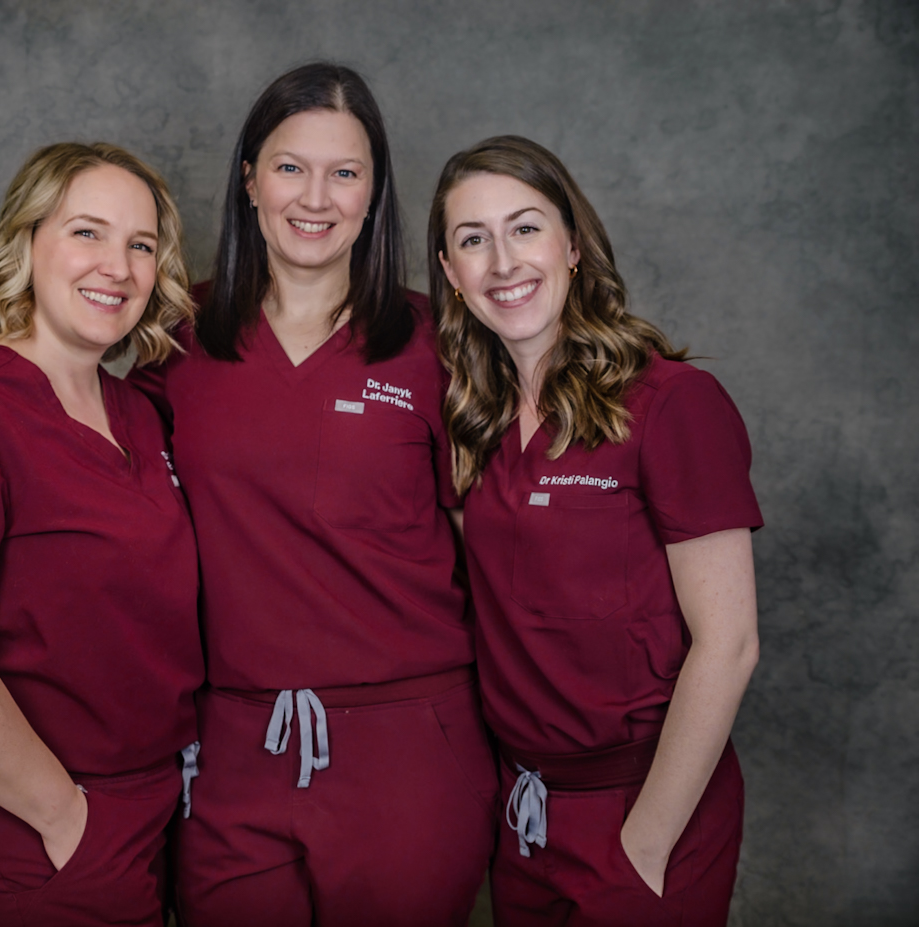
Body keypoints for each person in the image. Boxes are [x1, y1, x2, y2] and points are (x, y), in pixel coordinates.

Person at [129, 63, 497, 926]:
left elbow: (511, 538)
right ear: (249, 178)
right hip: (233, 748)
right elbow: (68, 431)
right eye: (291, 167)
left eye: (346, 172)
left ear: (375, 194)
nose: (316, 197)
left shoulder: (434, 347)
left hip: (409, 746)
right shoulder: (173, 343)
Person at [0, 142, 205, 926]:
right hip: (19, 829)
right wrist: (67, 821)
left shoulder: (142, 415)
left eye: (142, 244)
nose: (116, 265)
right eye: (87, 232)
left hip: (144, 815)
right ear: (24, 244)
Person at [429, 135, 762, 927]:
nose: (503, 261)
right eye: (473, 240)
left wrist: (644, 842)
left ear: (573, 245)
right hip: (527, 810)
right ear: (449, 273)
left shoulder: (672, 402)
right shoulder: (470, 423)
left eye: (527, 227)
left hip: (647, 803)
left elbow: (731, 643)